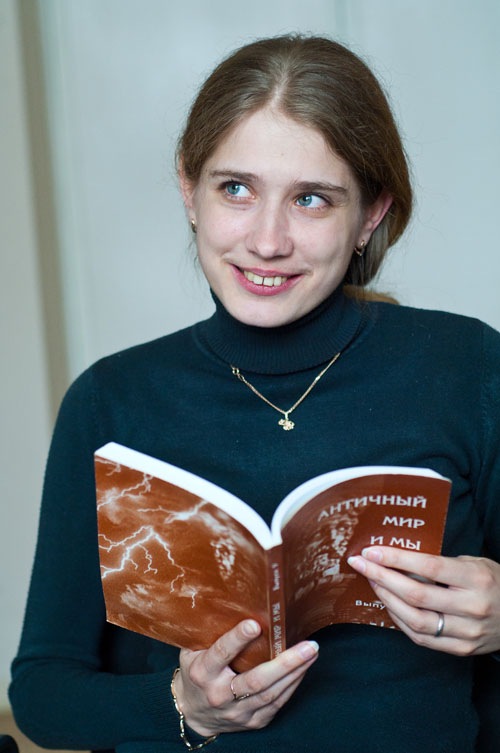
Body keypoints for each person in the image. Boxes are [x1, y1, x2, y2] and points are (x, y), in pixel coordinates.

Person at [9, 33, 500, 753]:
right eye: (235, 188)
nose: (267, 241)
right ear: (190, 191)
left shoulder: (467, 366)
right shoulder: (110, 400)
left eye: (311, 199)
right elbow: (41, 692)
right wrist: (182, 706)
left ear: (370, 214)